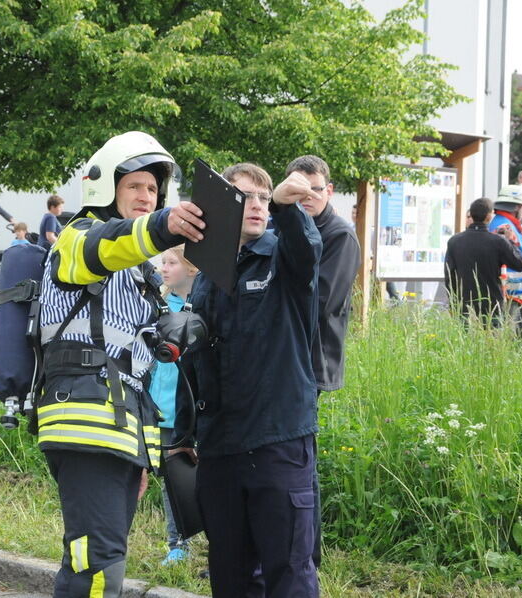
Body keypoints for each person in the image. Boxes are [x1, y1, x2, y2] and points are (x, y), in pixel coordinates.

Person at [35, 131, 203, 598]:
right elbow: (109, 245)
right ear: (106, 188)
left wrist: (142, 458)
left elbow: (138, 371)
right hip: (84, 418)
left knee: (96, 555)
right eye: (135, 186)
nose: (146, 196)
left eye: (153, 189)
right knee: (98, 562)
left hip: (118, 431)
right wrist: (167, 225)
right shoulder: (78, 237)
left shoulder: (142, 274)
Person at [174, 163, 322, 598]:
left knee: (289, 570)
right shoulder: (207, 278)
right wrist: (184, 433)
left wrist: (287, 207)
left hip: (278, 441)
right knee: (230, 572)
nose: (256, 205)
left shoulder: (283, 256)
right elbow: (194, 361)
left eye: (262, 197)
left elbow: (308, 250)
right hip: (219, 448)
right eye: (245, 197)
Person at [283, 154, 360, 568]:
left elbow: (322, 302)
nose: (307, 196)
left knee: (300, 462)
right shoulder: (288, 224)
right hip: (280, 357)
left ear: (328, 191)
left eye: (315, 189)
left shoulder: (340, 235)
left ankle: (306, 555)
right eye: (300, 188)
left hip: (309, 362)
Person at [147, 246, 199, 566]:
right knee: (173, 478)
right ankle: (177, 542)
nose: (164, 269)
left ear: (192, 269)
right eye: (162, 262)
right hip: (163, 408)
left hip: (195, 408)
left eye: (172, 262)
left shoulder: (204, 306)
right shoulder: (160, 307)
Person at [445, 198, 522, 326]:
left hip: (464, 305)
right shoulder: (498, 242)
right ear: (489, 216)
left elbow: (450, 276)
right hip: (491, 306)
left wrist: (453, 304)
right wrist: (512, 241)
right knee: (490, 342)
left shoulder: (454, 241)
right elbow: (520, 264)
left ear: (471, 214)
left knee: (464, 342)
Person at [488, 185, 522, 337]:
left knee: (521, 333)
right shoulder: (504, 226)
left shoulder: (508, 225)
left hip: (515, 295)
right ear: (516, 207)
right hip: (509, 295)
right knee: (512, 336)